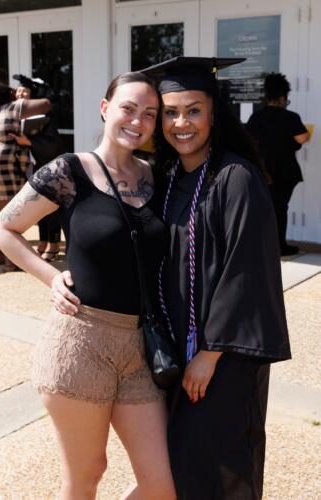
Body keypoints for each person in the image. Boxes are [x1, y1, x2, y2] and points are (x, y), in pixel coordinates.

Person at [0, 72, 176, 500]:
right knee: (86, 475)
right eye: (128, 108)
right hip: (80, 342)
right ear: (105, 108)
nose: (139, 120)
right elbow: (4, 227)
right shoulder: (69, 170)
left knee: (162, 483)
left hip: (139, 349)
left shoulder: (157, 177)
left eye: (150, 114)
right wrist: (50, 276)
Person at [141, 56, 291, 499]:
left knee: (224, 464)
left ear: (213, 113)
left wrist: (209, 353)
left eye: (193, 110)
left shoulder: (235, 178)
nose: (180, 123)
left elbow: (246, 270)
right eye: (170, 112)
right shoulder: (165, 180)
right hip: (173, 356)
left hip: (221, 360)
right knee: (181, 463)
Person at [0, 81, 51, 270]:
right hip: (5, 165)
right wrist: (19, 99)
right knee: (10, 211)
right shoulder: (14, 107)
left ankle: (0, 255)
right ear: (8, 94)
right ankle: (11, 261)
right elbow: (46, 104)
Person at [246, 72, 310, 256]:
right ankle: (279, 245)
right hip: (285, 171)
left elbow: (249, 140)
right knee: (280, 208)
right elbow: (303, 137)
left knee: (265, 208)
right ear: (283, 97)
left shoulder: (256, 117)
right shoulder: (290, 117)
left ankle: (264, 244)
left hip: (263, 171)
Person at [15, 80, 65, 261]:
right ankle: (43, 240)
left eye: (24, 92)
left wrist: (27, 142)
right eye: (18, 92)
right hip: (32, 166)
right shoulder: (14, 116)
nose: (20, 94)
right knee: (38, 205)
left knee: (50, 205)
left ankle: (54, 243)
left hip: (48, 164)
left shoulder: (44, 116)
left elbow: (52, 144)